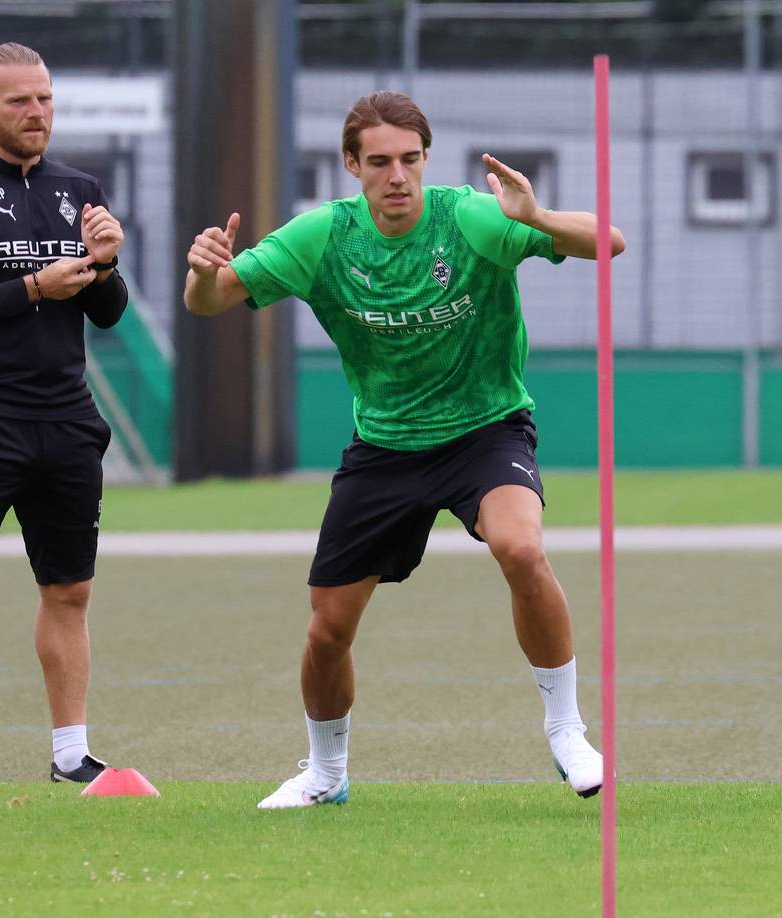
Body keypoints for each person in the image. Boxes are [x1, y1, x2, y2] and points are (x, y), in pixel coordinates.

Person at [185, 90, 625, 809]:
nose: (397, 176)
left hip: (486, 429)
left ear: (426, 161)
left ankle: (567, 732)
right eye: (380, 162)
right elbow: (208, 303)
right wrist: (205, 271)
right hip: (385, 446)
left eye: (410, 160)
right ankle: (326, 774)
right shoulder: (323, 236)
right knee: (327, 631)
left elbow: (610, 242)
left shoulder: (474, 219)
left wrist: (537, 218)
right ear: (352, 165)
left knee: (520, 548)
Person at [0, 42, 128, 785]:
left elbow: (106, 312)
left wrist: (104, 263)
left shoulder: (80, 186)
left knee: (70, 590)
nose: (36, 113)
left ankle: (71, 752)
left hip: (66, 423)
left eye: (44, 99)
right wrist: (36, 286)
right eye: (19, 101)